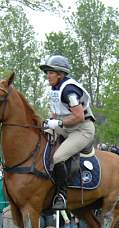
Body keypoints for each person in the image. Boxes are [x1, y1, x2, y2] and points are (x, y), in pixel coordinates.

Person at [39, 55, 95, 210]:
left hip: (82, 129)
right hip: (66, 127)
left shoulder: (69, 90)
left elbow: (79, 116)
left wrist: (59, 123)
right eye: (47, 72)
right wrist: (50, 121)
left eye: (51, 72)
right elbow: (58, 114)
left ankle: (61, 195)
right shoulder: (54, 89)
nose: (47, 76)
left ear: (60, 74)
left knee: (57, 157)